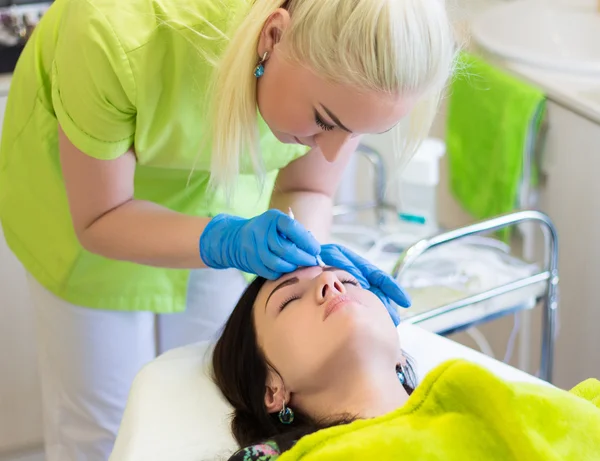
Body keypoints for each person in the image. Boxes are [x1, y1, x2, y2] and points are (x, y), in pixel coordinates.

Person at [0, 0, 456, 459]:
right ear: (272, 38)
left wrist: (312, 254)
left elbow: (308, 190)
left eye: (357, 132)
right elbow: (101, 216)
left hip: (225, 200)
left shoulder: (345, 65)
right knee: (101, 434)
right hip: (90, 211)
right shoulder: (112, 29)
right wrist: (224, 242)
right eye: (324, 121)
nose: (335, 154)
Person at [212, 265, 600, 460]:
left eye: (348, 281)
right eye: (289, 299)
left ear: (398, 350)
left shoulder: (485, 396)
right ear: (271, 390)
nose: (330, 285)